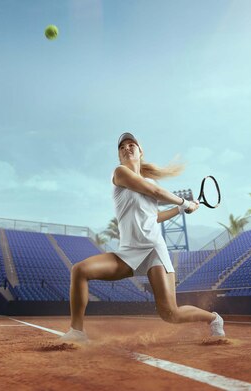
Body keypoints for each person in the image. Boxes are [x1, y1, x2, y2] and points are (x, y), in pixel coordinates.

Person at [60, 132, 225, 344]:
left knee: (170, 314)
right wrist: (184, 203)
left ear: (140, 152)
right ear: (119, 157)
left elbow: (153, 217)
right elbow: (153, 190)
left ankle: (214, 319)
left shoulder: (148, 181)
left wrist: (180, 209)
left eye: (131, 145)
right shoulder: (120, 173)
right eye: (122, 147)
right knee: (80, 270)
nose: (127, 148)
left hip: (154, 250)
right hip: (128, 252)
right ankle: (77, 332)